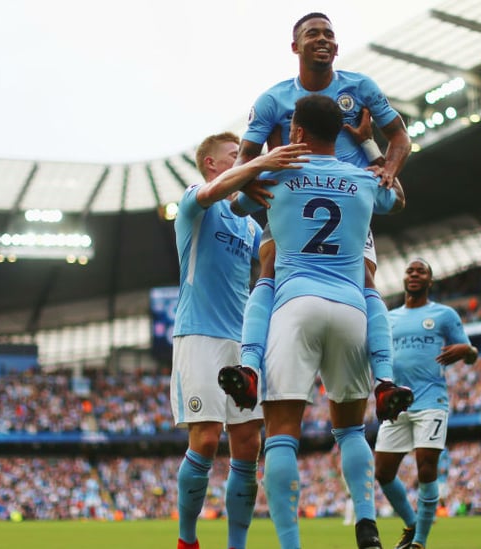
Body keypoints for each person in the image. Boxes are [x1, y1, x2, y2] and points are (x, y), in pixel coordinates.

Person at [218, 11, 413, 423]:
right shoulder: (273, 99)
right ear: (296, 47)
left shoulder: (360, 88)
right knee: (268, 268)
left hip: (348, 204)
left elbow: (400, 137)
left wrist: (389, 168)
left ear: (337, 46)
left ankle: (383, 381)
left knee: (366, 277)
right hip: (295, 198)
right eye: (312, 33)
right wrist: (250, 183)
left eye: (328, 33)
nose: (322, 39)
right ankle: (251, 366)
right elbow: (245, 157)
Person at [235, 93, 405, 549]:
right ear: (339, 133)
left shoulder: (278, 174)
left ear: (296, 133)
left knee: (283, 433)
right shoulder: (363, 179)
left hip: (295, 305)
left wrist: (262, 162)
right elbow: (398, 197)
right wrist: (369, 146)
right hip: (352, 309)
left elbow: (235, 204)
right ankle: (367, 526)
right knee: (350, 428)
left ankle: (291, 544)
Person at [170, 131, 308, 549]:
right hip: (199, 335)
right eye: (235, 156)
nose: (242, 159)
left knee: (248, 446)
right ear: (211, 164)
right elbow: (217, 192)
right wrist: (263, 161)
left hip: (243, 341)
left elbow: (274, 264)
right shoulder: (196, 202)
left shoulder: (248, 226)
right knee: (208, 439)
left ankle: (236, 545)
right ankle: (187, 540)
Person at [373, 258, 477, 549]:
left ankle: (419, 542)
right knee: (382, 472)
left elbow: (471, 354)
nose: (415, 274)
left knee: (426, 468)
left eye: (421, 271)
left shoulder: (444, 315)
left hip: (431, 400)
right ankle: (412, 523)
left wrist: (467, 349)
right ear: (405, 278)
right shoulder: (389, 318)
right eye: (410, 271)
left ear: (430, 281)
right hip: (397, 404)